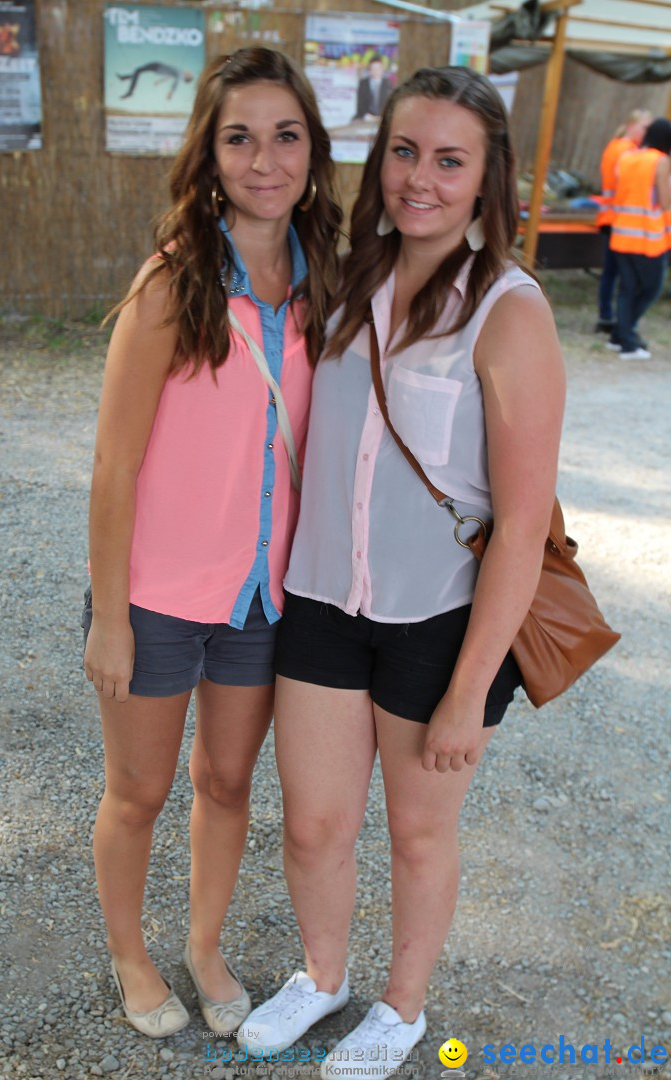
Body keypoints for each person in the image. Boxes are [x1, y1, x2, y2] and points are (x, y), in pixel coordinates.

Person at [238, 66, 565, 1079]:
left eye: (449, 160)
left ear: (486, 180)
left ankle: (404, 1007)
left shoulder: (509, 310)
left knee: (419, 838)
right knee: (313, 824)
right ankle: (323, 976)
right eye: (404, 152)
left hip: (440, 625)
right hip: (326, 604)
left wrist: (471, 689)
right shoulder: (341, 283)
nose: (419, 178)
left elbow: (520, 527)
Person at [83, 47, 341, 1039]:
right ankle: (130, 953)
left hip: (263, 600)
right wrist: (109, 618)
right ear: (210, 152)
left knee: (226, 782)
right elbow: (113, 467)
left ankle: (202, 942)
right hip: (152, 596)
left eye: (285, 136)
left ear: (312, 151)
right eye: (240, 137)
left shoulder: (334, 289)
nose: (264, 158)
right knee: (139, 789)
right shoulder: (173, 284)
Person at [607, 118, 671, 360]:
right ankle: (627, 340)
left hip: (622, 232)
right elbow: (665, 202)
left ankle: (620, 335)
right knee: (651, 288)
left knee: (628, 288)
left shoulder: (627, 157)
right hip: (647, 236)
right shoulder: (660, 161)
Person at [594, 108, 651, 334]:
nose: (646, 133)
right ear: (631, 126)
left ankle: (608, 316)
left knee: (612, 272)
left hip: (612, 217)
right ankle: (613, 318)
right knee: (619, 274)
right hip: (618, 219)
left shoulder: (618, 146)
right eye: (644, 127)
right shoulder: (626, 151)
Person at [116, 61, 194, 101]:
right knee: (138, 71)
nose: (189, 72)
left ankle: (129, 91)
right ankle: (124, 79)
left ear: (188, 77)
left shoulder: (180, 74)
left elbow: (175, 83)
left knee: (138, 70)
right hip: (158, 68)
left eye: (190, 74)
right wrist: (159, 82)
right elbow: (168, 77)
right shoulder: (179, 74)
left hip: (158, 66)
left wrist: (171, 92)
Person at [353, 55, 393, 121]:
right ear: (369, 70)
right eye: (373, 69)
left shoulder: (388, 84)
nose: (376, 71)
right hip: (366, 118)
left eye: (378, 69)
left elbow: (390, 105)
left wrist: (382, 117)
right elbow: (360, 106)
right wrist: (368, 117)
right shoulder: (363, 84)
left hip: (383, 119)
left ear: (382, 69)